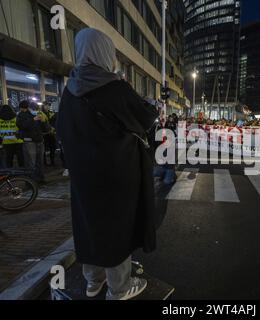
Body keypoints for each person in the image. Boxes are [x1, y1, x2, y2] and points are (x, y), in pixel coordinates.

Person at [57, 28, 158, 300]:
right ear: (104, 53)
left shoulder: (69, 90)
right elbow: (146, 119)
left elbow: (62, 132)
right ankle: (119, 288)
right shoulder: (115, 87)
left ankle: (93, 281)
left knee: (89, 225)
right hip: (116, 174)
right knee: (117, 229)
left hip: (83, 177)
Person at [16, 100, 49, 183]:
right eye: (33, 109)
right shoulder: (22, 115)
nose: (35, 111)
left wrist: (43, 122)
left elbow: (46, 129)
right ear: (28, 108)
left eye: (37, 109)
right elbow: (22, 126)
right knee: (30, 163)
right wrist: (33, 119)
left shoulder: (40, 114)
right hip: (29, 142)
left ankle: (41, 179)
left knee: (40, 162)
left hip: (39, 141)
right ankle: (31, 182)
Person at [41, 102, 57, 167]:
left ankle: (52, 161)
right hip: (44, 134)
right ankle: (45, 163)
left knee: (52, 148)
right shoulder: (40, 113)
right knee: (44, 149)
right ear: (43, 106)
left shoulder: (52, 113)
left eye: (48, 106)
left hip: (51, 133)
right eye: (46, 105)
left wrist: (53, 128)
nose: (47, 107)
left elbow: (55, 122)